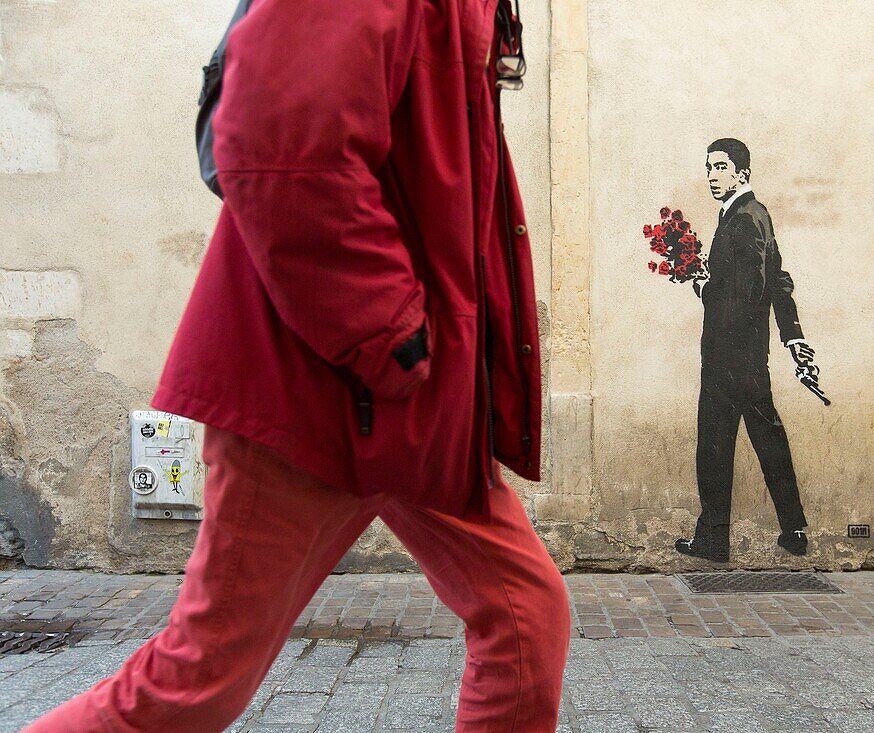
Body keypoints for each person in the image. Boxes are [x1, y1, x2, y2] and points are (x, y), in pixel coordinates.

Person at [23, 0, 571, 731]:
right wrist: (389, 335)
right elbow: (278, 142)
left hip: (413, 397)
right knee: (194, 682)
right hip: (317, 386)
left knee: (525, 616)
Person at [675, 138, 812, 563]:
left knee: (715, 446)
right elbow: (779, 281)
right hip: (749, 357)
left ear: (743, 174)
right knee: (764, 438)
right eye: (709, 167)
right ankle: (793, 528)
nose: (712, 175)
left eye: (721, 167)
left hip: (728, 357)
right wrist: (794, 336)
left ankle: (716, 539)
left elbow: (749, 291)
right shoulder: (753, 215)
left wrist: (702, 286)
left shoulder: (743, 220)